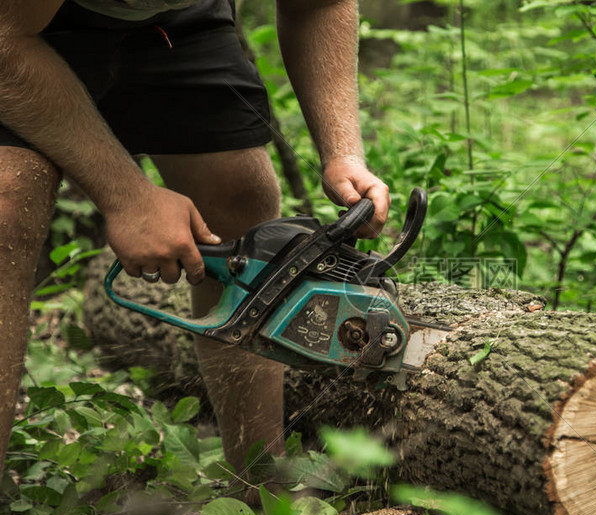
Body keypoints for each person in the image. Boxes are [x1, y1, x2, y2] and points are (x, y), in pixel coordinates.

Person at [0, 0, 390, 478]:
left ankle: (259, 487)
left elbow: (319, 4)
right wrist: (127, 196)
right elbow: (6, 38)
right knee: (9, 199)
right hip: (15, 30)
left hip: (173, 22)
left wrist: (342, 153)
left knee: (239, 194)